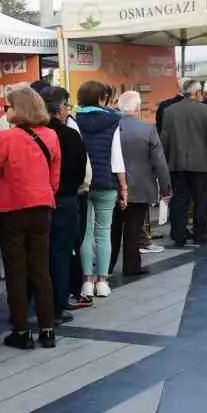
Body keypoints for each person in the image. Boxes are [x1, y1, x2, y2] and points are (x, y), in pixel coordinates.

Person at [0, 86, 60, 350]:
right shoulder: (52, 135)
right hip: (42, 206)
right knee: (41, 270)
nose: (5, 111)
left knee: (16, 272)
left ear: (17, 109)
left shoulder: (5, 139)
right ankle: (47, 329)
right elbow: (55, 175)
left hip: (11, 209)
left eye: (8, 106)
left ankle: (20, 330)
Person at [111, 91, 171, 278]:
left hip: (113, 186)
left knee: (112, 229)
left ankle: (108, 266)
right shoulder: (147, 129)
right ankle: (132, 266)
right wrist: (165, 187)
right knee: (133, 228)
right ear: (137, 109)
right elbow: (159, 161)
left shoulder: (111, 128)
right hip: (141, 186)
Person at [159, 80, 207, 247]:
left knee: (179, 200)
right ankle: (199, 233)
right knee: (201, 200)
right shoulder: (206, 110)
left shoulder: (169, 111)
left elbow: (164, 138)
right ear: (197, 93)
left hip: (176, 162)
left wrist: (163, 161)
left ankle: (179, 235)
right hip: (202, 163)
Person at [74, 80, 120, 299]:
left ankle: (86, 282)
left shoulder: (73, 120)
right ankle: (102, 281)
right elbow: (117, 157)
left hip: (81, 184)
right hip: (106, 182)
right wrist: (125, 187)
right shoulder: (113, 120)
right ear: (102, 98)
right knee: (104, 232)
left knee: (86, 233)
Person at [44, 87, 86, 321]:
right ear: (60, 110)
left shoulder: (31, 134)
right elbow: (80, 169)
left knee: (40, 254)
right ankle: (57, 304)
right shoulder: (69, 135)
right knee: (61, 253)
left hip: (38, 202)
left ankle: (36, 302)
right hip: (65, 199)